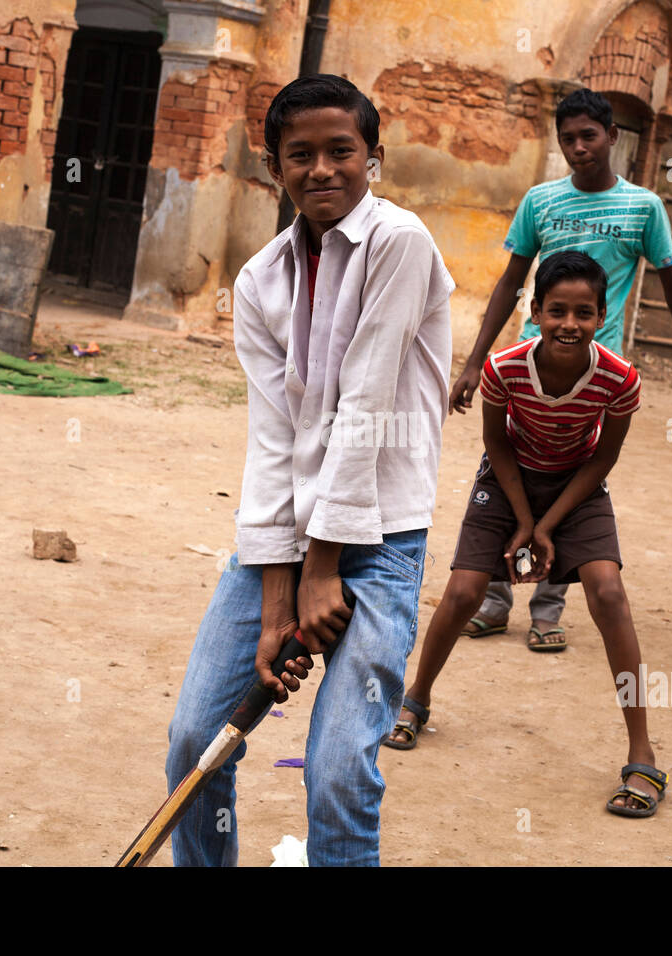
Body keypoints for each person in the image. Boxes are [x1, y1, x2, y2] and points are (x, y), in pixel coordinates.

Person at [163, 74, 454, 865]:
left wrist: (323, 569)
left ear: (374, 158)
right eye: (301, 155)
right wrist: (276, 596)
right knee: (196, 734)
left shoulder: (400, 243)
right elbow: (274, 437)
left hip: (381, 540)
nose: (322, 170)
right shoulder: (260, 281)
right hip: (283, 542)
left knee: (335, 770)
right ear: (273, 167)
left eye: (341, 151)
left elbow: (365, 406)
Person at [385, 250, 668, 818]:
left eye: (584, 312)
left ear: (601, 315)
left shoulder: (619, 379)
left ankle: (643, 751)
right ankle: (415, 699)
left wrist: (547, 525)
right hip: (507, 479)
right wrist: (520, 520)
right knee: (464, 593)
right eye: (557, 310)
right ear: (535, 311)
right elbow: (496, 443)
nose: (570, 323)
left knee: (608, 592)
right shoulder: (504, 368)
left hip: (578, 486)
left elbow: (602, 461)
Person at [448, 88, 672, 655]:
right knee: (509, 465)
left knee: (572, 472)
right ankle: (494, 598)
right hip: (529, 360)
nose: (577, 147)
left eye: (588, 136)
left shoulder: (644, 208)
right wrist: (476, 361)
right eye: (567, 138)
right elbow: (510, 279)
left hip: (596, 372)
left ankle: (548, 606)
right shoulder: (541, 201)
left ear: (613, 136)